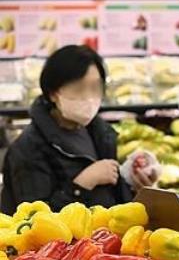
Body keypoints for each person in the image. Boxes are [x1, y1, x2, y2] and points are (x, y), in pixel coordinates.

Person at [1, 45, 157, 214]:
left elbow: (112, 200)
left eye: (95, 88)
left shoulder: (99, 132)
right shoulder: (28, 148)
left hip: (103, 238)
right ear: (53, 93)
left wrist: (134, 183)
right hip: (69, 240)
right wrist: (82, 185)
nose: (89, 97)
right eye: (78, 89)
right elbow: (32, 221)